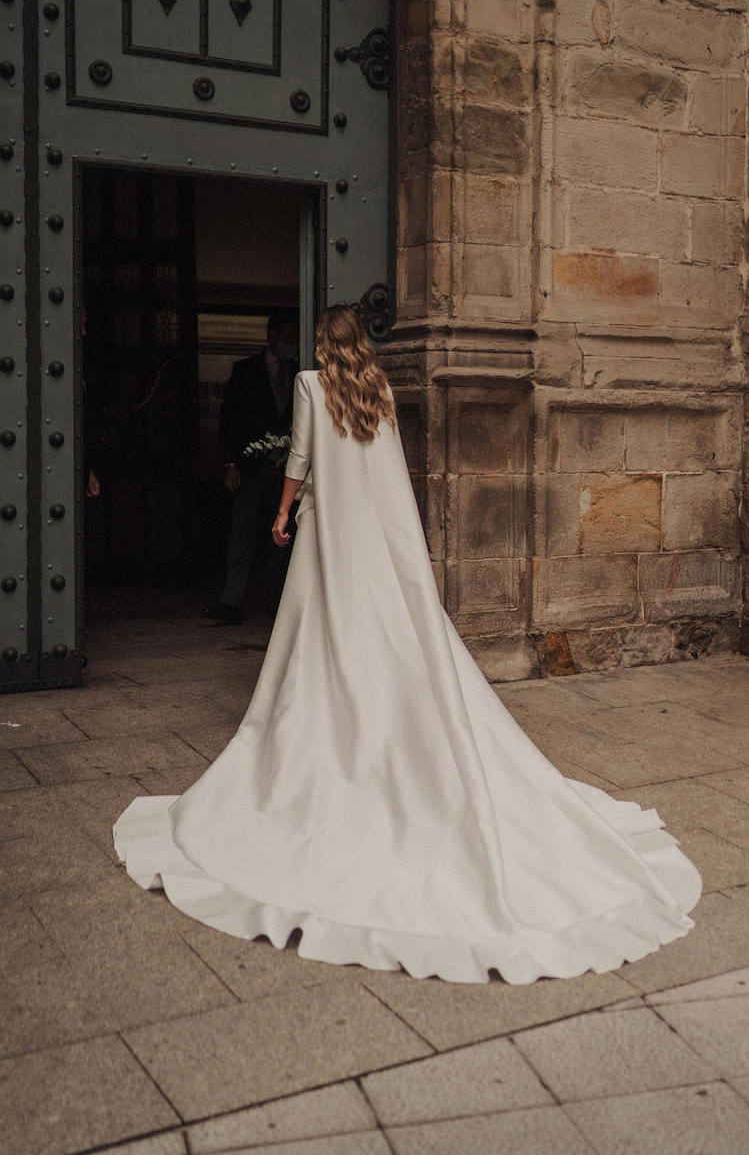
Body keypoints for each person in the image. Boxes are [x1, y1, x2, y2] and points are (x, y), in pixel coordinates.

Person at [114, 305, 702, 985]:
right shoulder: (379, 391)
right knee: (380, 630)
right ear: (360, 344)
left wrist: (281, 513)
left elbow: (301, 460)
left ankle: (332, 727)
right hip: (372, 539)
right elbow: (388, 475)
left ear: (319, 345)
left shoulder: (310, 385)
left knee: (319, 633)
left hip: (330, 539)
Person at [204, 309, 300, 624]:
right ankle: (232, 602)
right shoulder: (245, 371)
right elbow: (229, 420)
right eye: (286, 337)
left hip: (287, 469)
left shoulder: (301, 372)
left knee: (282, 536)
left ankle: (277, 604)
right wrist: (230, 463)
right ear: (271, 336)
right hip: (250, 466)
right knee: (242, 533)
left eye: (294, 338)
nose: (291, 343)